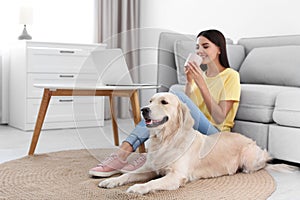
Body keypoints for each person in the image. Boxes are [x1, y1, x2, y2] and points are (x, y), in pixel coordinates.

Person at [89, 29, 241, 177]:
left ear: (219, 49)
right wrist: (189, 82)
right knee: (168, 107)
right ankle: (143, 154)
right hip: (193, 134)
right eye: (197, 47)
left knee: (174, 96)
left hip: (215, 136)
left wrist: (201, 84)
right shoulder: (201, 76)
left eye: (205, 46)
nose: (200, 51)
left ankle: (123, 153)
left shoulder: (230, 76)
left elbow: (220, 117)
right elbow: (187, 112)